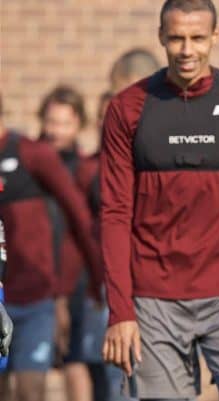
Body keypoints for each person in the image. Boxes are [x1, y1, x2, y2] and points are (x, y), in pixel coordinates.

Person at [100, 1, 219, 400]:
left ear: (215, 36)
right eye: (177, 38)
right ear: (161, 37)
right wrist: (120, 311)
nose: (187, 49)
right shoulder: (126, 110)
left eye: (198, 37)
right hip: (153, 300)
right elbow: (114, 214)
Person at [0, 92, 103, 401]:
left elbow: (79, 218)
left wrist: (98, 281)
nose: (56, 129)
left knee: (31, 390)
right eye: (51, 121)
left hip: (35, 298)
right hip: (2, 296)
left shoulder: (32, 155)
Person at [37, 85, 110, 401]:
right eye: (50, 122)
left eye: (64, 124)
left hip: (75, 280)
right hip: (32, 275)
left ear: (78, 125)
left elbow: (83, 230)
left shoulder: (82, 170)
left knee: (79, 359)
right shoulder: (29, 165)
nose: (55, 131)